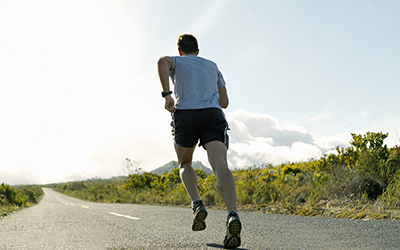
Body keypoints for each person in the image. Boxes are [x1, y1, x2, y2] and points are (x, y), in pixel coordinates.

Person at [157, 34, 242, 249]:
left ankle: (196, 203)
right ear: (198, 50)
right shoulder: (213, 66)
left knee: (185, 163)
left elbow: (161, 62)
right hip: (212, 115)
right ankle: (232, 214)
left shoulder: (176, 62)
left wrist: (167, 94)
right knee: (220, 165)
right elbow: (224, 102)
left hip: (186, 115)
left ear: (179, 51)